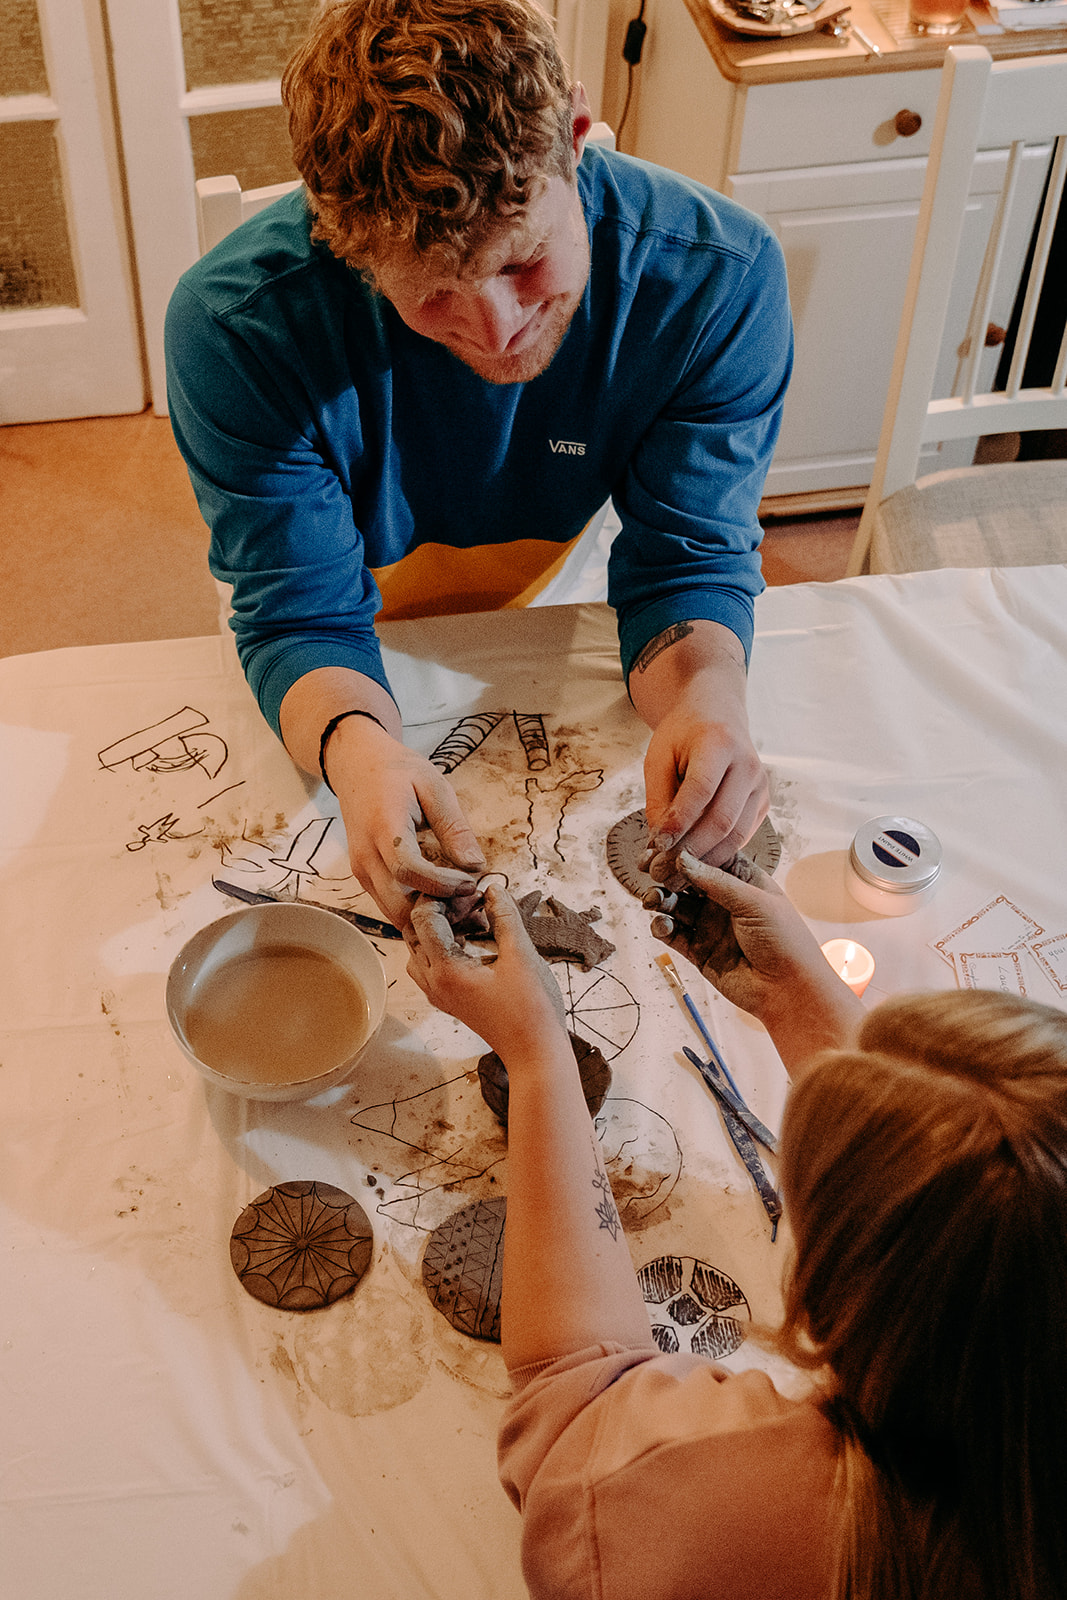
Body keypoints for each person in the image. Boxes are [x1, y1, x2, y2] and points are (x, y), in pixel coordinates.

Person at [164, 0, 793, 932]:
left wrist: (705, 700)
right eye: (432, 297)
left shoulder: (715, 279)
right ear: (345, 247)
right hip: (329, 634)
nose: (496, 332)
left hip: (555, 594)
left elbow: (684, 561)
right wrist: (360, 752)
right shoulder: (236, 330)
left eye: (527, 261)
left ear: (576, 140)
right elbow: (299, 612)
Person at [404, 851, 1067, 1600]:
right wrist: (798, 998)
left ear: (838, 1295)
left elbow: (575, 1394)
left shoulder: (714, 1514)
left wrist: (535, 1054)